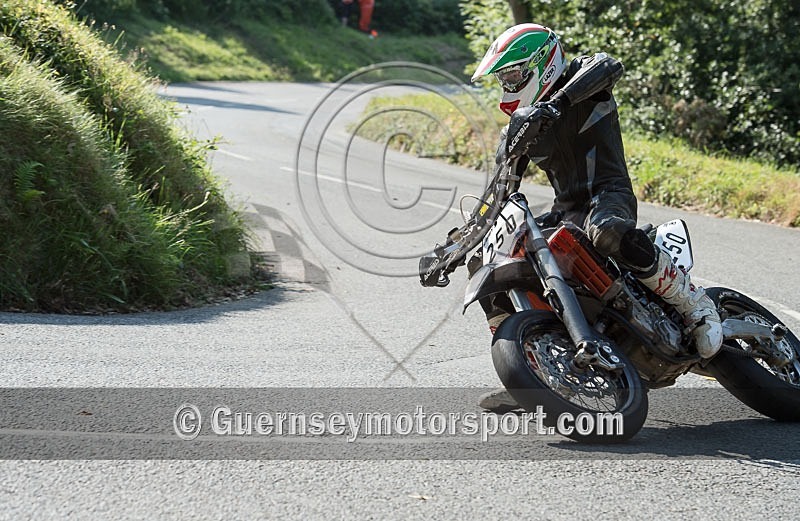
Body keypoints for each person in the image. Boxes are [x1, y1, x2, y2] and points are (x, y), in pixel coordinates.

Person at [469, 23, 723, 412]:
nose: (508, 84)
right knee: (492, 263)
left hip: (609, 194)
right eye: (503, 78)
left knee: (606, 231)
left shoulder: (584, 78)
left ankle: (693, 304)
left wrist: (557, 104)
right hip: (568, 209)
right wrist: (457, 246)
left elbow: (609, 64)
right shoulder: (520, 130)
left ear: (543, 63)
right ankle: (535, 366)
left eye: (513, 74)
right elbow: (499, 191)